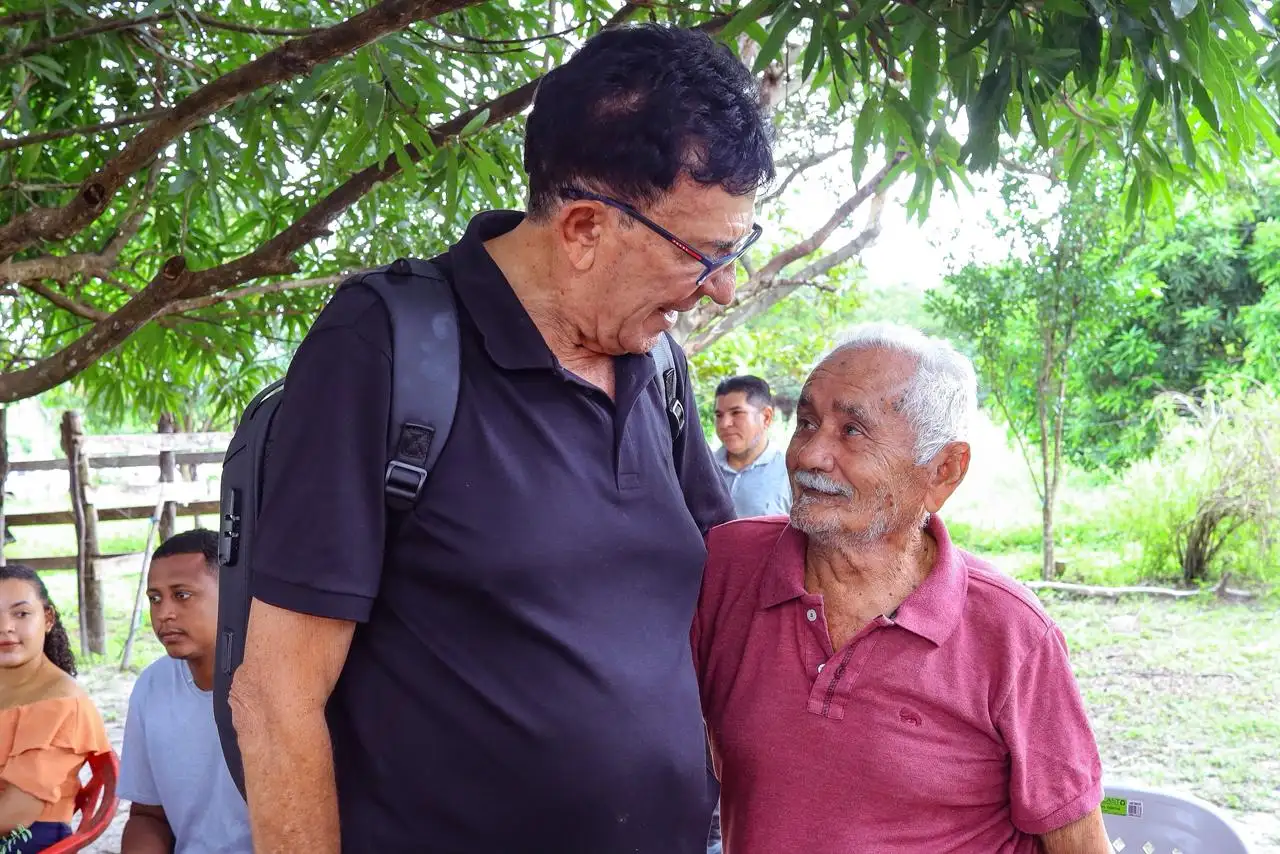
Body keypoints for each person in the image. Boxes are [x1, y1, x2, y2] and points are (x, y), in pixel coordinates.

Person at [229, 22, 773, 854]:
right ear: (584, 229)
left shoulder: (658, 366)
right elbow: (275, 696)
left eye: (736, 251)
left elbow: (720, 593)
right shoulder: (387, 348)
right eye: (704, 255)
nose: (724, 288)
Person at [693, 323, 1111, 854]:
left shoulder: (1011, 634)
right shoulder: (728, 567)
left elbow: (1080, 844)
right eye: (808, 422)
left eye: (852, 431)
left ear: (943, 471)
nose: (809, 455)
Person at [118, 529, 252, 854]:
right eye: (155, 598)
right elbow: (148, 815)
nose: (164, 613)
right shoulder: (152, 686)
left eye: (182, 595)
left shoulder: (275, 684)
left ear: (232, 594)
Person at [0, 564, 110, 853]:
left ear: (47, 618)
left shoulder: (60, 704)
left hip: (23, 836)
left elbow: (15, 813)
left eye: (21, 614)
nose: (5, 627)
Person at [713, 375, 790, 518]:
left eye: (736, 413)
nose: (724, 424)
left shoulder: (789, 475)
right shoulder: (703, 468)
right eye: (719, 415)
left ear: (766, 417)